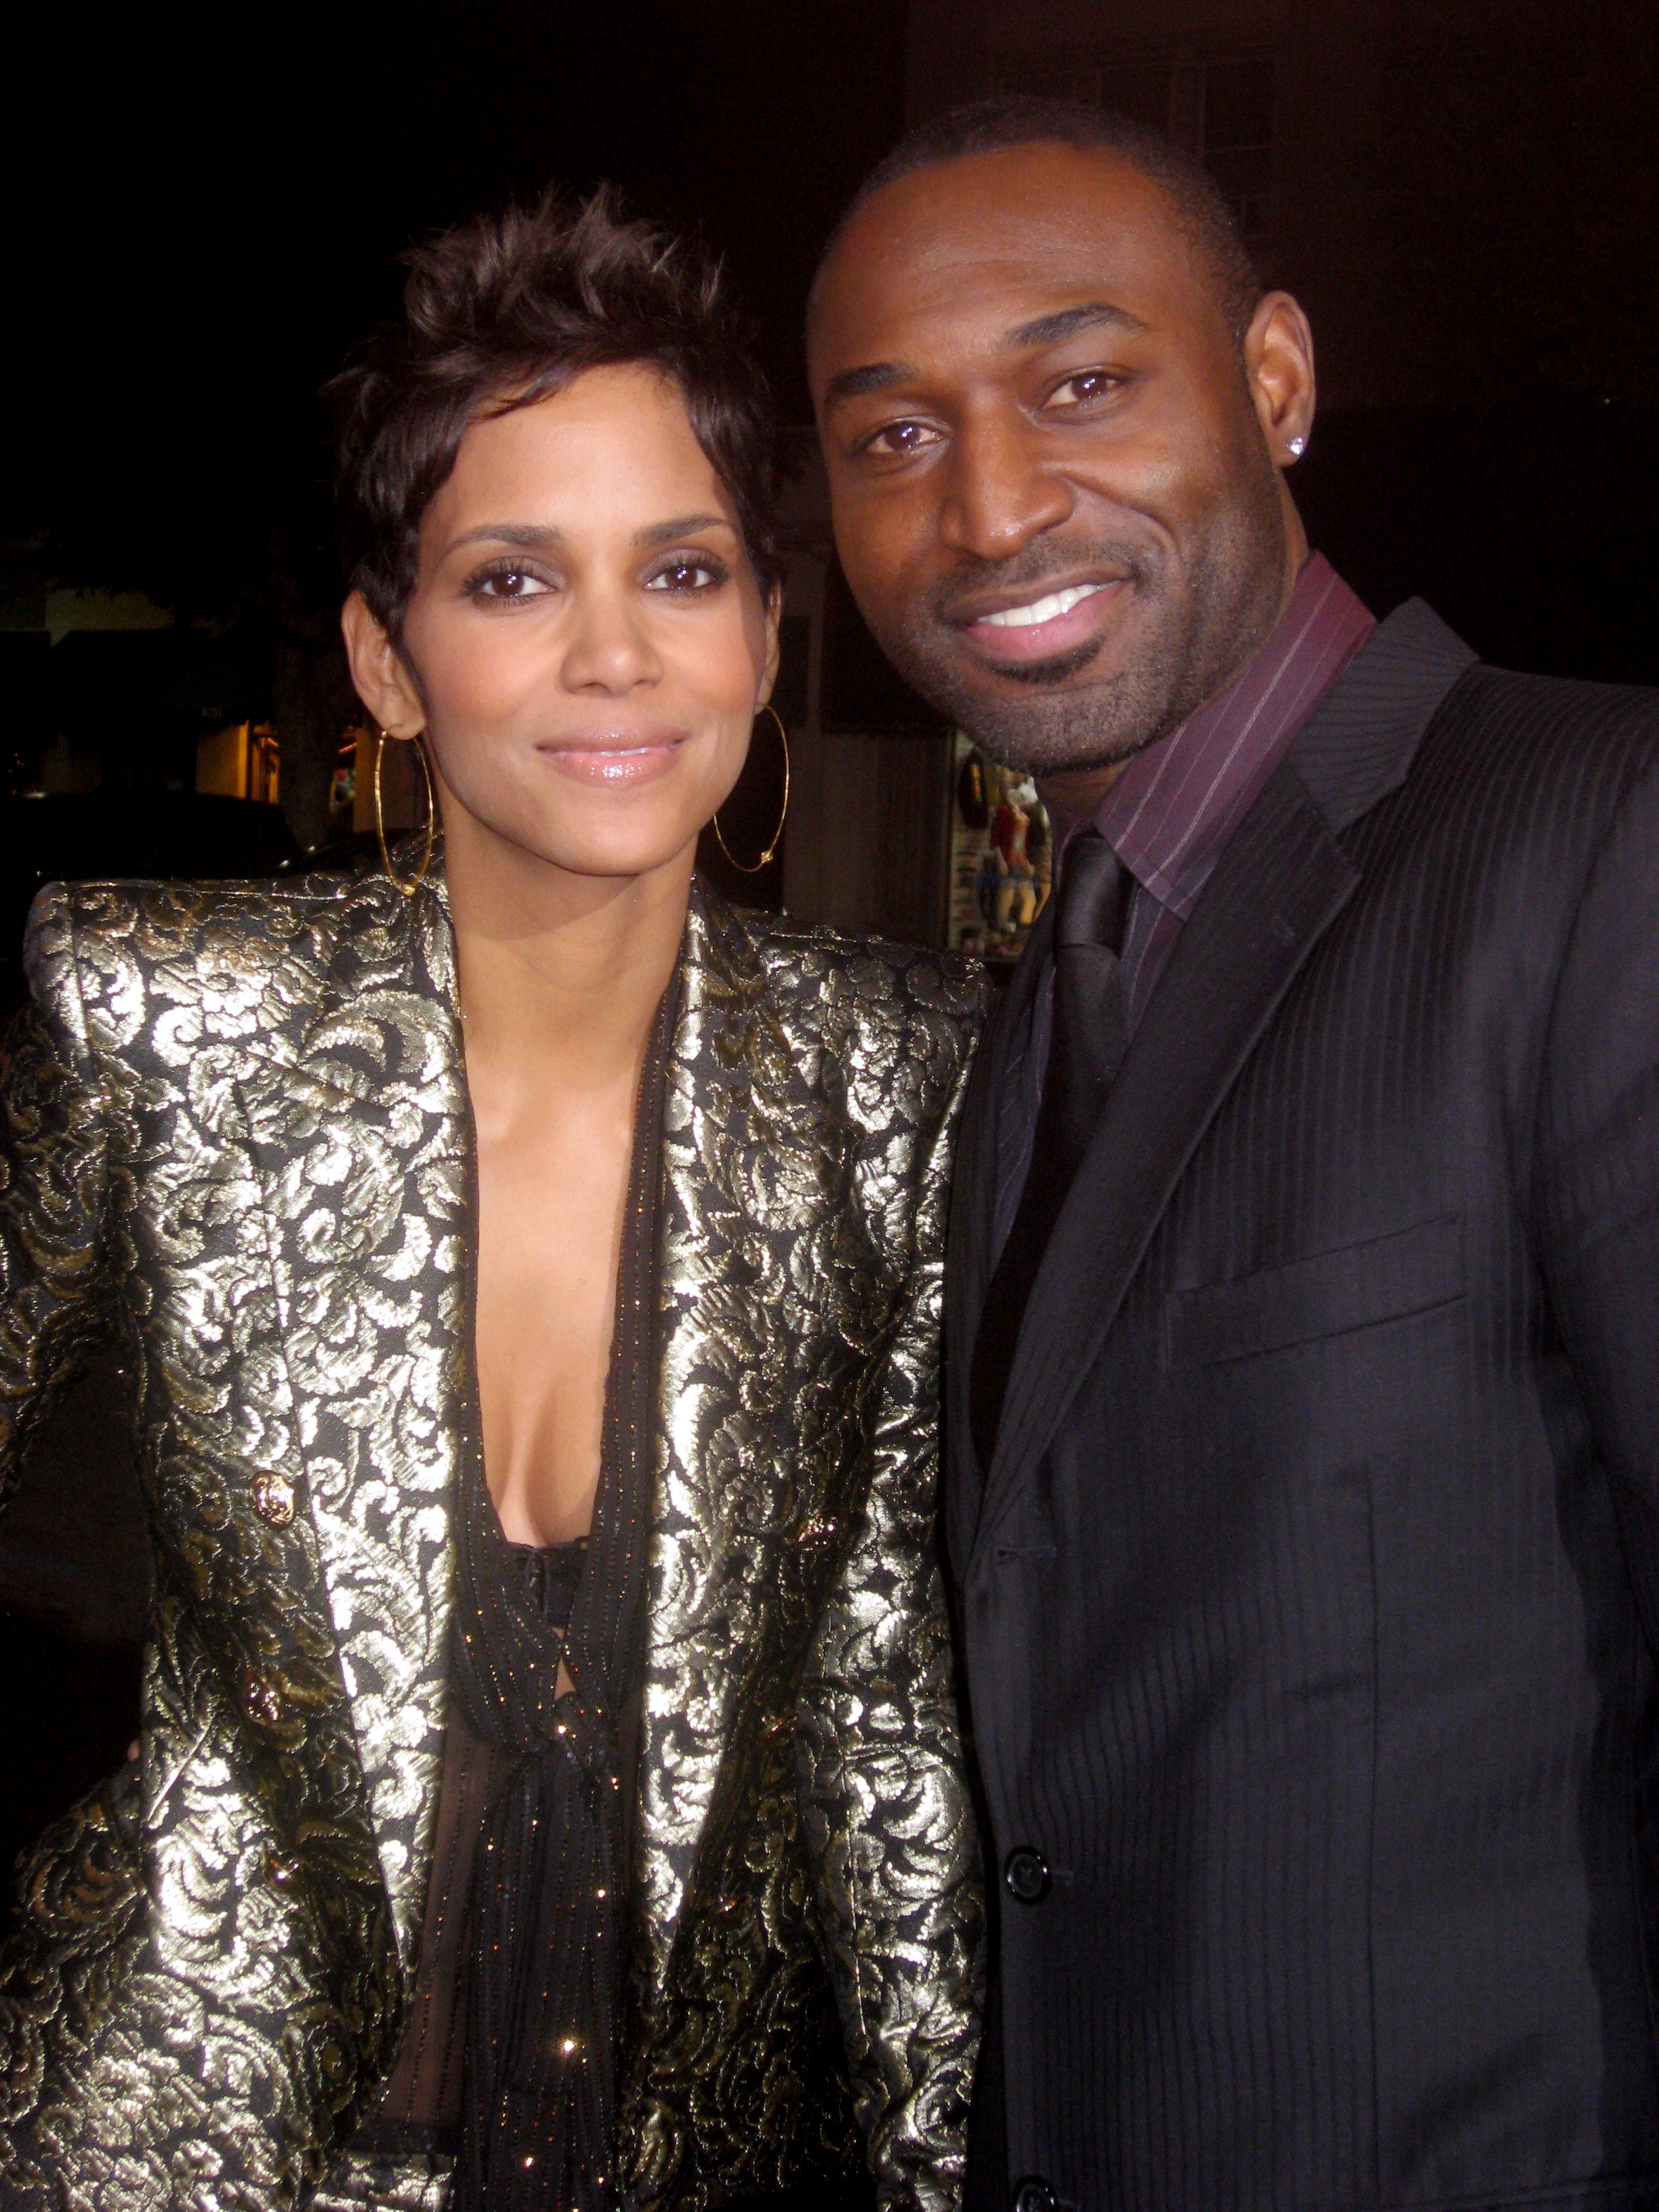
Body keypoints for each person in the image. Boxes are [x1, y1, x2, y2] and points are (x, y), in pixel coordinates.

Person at [0, 190, 984, 2212]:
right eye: (515, 579)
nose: (618, 655)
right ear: (385, 655)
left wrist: (934, 2152)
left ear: (766, 631)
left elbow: (879, 1699)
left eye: (684, 570)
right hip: (203, 2143)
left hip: (692, 2154)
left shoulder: (894, 1075)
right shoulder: (159, 1018)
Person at [808, 94, 1659, 2212]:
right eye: (892, 435)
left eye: (1082, 383)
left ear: (1275, 384)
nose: (991, 507)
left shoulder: (1598, 843)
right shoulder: (1041, 1012)